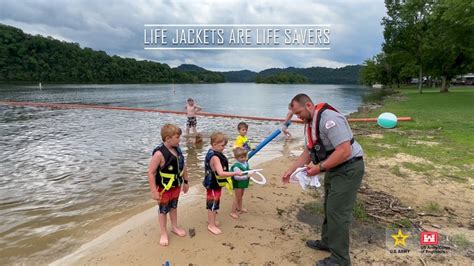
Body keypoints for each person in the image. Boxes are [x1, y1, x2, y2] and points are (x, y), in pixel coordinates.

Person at [282, 94, 364, 266]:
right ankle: (328, 242)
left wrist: (319, 168)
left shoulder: (329, 119)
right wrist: (291, 170)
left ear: (309, 105)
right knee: (329, 207)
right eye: (295, 114)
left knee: (338, 212)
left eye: (299, 112)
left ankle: (340, 260)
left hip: (349, 168)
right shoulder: (311, 122)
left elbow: (344, 151)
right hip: (334, 168)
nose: (298, 117)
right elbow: (309, 151)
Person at [147, 124, 189, 246]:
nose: (179, 140)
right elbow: (150, 172)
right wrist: (154, 191)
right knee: (163, 210)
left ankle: (174, 227)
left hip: (176, 186)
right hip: (163, 188)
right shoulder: (159, 154)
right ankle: (163, 233)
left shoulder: (177, 149)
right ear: (167, 138)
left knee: (174, 207)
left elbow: (183, 165)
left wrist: (186, 181)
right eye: (177, 137)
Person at [203, 132, 241, 235]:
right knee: (213, 204)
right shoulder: (215, 157)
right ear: (214, 144)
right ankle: (211, 225)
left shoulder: (211, 152)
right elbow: (221, 173)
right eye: (222, 145)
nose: (224, 147)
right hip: (213, 185)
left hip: (212, 184)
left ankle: (211, 220)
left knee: (212, 202)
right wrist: (235, 173)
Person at [230, 147, 250, 219]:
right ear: (236, 158)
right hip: (238, 183)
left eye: (245, 156)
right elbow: (236, 177)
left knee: (241, 195)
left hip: (243, 183)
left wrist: (251, 171)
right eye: (241, 157)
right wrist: (247, 176)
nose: (244, 158)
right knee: (237, 197)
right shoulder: (236, 166)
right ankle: (233, 211)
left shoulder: (245, 163)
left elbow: (247, 170)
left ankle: (239, 207)